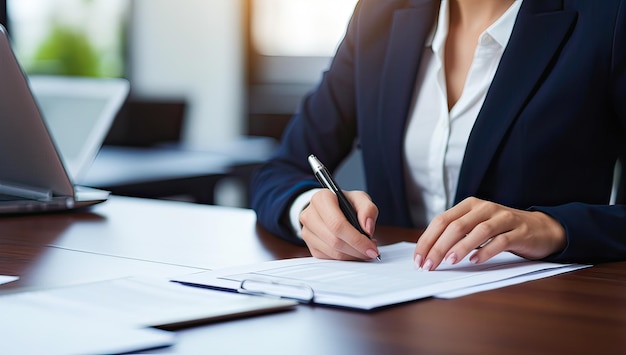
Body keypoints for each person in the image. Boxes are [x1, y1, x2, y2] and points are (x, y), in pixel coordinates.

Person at [250, 0, 626, 271]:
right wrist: (307, 208)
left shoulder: (607, 18)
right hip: (388, 314)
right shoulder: (379, 13)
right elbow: (281, 169)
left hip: (539, 316)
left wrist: (554, 228)